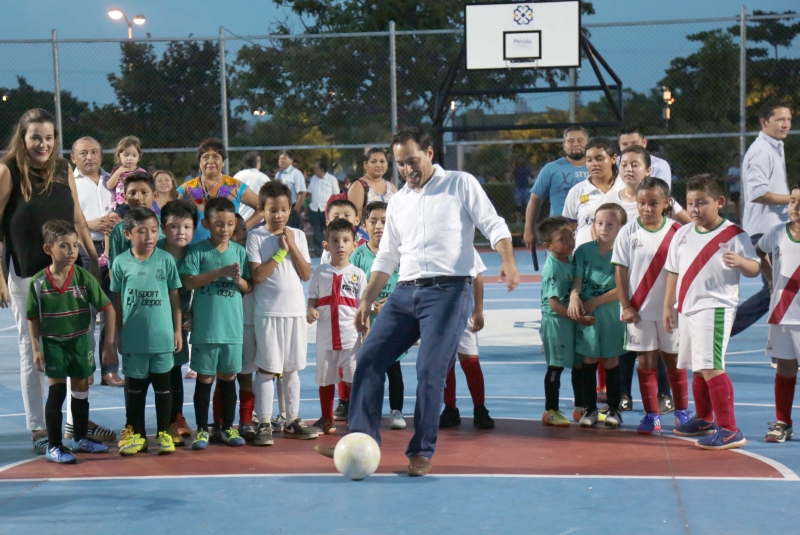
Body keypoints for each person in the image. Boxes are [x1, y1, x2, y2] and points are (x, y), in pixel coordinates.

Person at [316, 127, 519, 477]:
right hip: (404, 293)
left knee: (429, 371)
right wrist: (366, 301)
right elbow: (387, 257)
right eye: (401, 164)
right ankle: (361, 442)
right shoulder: (399, 201)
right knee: (368, 360)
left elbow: (494, 225)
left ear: (428, 153)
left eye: (412, 161)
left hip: (449, 292)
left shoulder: (460, 183)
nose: (407, 169)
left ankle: (421, 451)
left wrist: (509, 261)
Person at [0, 109, 110, 454]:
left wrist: (93, 259)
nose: (43, 144)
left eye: (49, 138)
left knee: (75, 341)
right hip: (28, 275)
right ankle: (38, 429)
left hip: (67, 272)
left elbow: (76, 216)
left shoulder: (64, 169)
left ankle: (74, 425)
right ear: (23, 138)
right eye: (36, 137)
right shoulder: (8, 171)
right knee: (32, 348)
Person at [664, 175, 760, 450]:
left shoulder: (734, 234)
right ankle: (705, 419)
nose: (694, 209)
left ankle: (730, 430)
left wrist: (741, 261)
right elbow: (673, 270)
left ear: (719, 202)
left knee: (711, 366)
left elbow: (754, 268)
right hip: (688, 309)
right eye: (691, 203)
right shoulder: (682, 233)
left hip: (715, 308)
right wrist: (667, 305)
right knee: (698, 365)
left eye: (702, 203)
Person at [604, 145, 688, 413]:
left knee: (673, 360)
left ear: (666, 204)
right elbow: (620, 270)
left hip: (669, 310)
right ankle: (651, 414)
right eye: (642, 203)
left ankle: (682, 411)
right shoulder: (628, 231)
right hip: (639, 310)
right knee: (645, 360)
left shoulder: (677, 231)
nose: (647, 208)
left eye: (654, 203)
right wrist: (626, 306)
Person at [27, 220, 115, 463]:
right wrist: (36, 349)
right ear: (49, 249)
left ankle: (79, 439)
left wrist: (108, 344)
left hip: (79, 344)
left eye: (75, 246)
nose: (72, 251)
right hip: (54, 344)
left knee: (80, 391)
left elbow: (109, 309)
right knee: (56, 393)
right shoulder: (38, 282)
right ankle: (54, 446)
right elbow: (33, 318)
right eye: (64, 246)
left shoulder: (84, 278)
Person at [247, 181, 318, 445]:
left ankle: (292, 420)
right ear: (261, 210)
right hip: (267, 313)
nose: (279, 215)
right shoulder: (256, 237)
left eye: (284, 209)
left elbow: (306, 274)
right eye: (273, 210)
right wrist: (279, 252)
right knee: (267, 369)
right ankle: (264, 422)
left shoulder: (297, 235)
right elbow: (257, 276)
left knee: (291, 370)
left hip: (295, 313)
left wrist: (292, 245)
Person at [111, 207, 183, 456]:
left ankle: (164, 432)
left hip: (162, 338)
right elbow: (117, 302)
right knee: (135, 391)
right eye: (142, 231)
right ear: (128, 234)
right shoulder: (120, 262)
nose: (149, 236)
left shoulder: (165, 260)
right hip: (134, 339)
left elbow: (175, 297)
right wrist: (118, 332)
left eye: (153, 230)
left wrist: (177, 330)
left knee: (164, 389)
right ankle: (136, 434)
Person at [181, 198, 251, 450]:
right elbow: (189, 282)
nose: (225, 229)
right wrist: (218, 273)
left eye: (230, 224)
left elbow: (247, 287)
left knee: (228, 378)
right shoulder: (198, 250)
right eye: (219, 224)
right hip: (206, 329)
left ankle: (228, 428)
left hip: (231, 329)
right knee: (205, 379)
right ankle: (202, 429)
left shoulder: (239, 252)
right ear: (206, 224)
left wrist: (239, 280)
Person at [734, 101, 792, 337]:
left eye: (788, 119)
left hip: (774, 233)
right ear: (764, 122)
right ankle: (718, 332)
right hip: (764, 234)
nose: (786, 124)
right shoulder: (761, 151)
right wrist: (793, 199)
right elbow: (758, 193)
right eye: (780, 119)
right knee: (778, 290)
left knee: (779, 291)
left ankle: (783, 353)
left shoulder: (775, 147)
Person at [71, 136, 123, 387]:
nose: (89, 157)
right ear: (73, 157)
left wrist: (117, 222)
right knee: (85, 313)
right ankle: (86, 366)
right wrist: (87, 224)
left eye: (94, 152)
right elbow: (63, 217)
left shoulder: (113, 180)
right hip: (82, 250)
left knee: (110, 309)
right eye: (83, 153)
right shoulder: (69, 183)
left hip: (114, 250)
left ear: (102, 156)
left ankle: (110, 369)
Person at [569, 203, 627, 429]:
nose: (603, 228)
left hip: (610, 313)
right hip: (588, 316)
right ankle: (590, 409)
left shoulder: (623, 253)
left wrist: (594, 301)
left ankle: (614, 409)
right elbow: (576, 281)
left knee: (611, 360)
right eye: (599, 223)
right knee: (588, 360)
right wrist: (575, 296)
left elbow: (622, 288)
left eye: (610, 224)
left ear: (620, 227)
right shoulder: (583, 251)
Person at [307, 219, 367, 434]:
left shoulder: (358, 274)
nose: (340, 245)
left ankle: (357, 417)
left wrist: (366, 333)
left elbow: (363, 306)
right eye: (335, 240)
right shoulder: (320, 272)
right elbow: (312, 298)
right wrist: (310, 310)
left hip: (350, 339)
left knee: (352, 378)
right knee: (325, 379)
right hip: (325, 338)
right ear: (326, 245)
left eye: (345, 240)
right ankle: (327, 418)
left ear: (354, 244)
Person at [350, 201, 405, 429]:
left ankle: (396, 411)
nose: (379, 226)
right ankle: (370, 411)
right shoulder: (358, 256)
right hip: (367, 322)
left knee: (394, 366)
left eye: (384, 221)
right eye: (373, 221)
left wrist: (390, 303)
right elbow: (351, 287)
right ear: (364, 225)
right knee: (370, 368)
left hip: (392, 320)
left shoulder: (399, 253)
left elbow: (405, 283)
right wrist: (369, 305)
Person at [538, 216, 591, 426]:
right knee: (556, 366)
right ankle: (550, 410)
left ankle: (580, 407)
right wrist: (578, 316)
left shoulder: (570, 259)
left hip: (570, 320)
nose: (569, 241)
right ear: (548, 246)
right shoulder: (552, 269)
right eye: (563, 239)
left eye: (571, 236)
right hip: (556, 322)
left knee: (579, 365)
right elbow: (554, 305)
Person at [756, 183, 800, 443]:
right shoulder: (777, 232)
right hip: (783, 314)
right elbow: (760, 252)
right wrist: (771, 279)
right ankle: (783, 422)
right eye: (793, 201)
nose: (795, 207)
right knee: (785, 369)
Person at [158, 199, 197, 445]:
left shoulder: (196, 255)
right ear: (163, 229)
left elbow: (198, 290)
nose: (180, 232)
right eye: (174, 226)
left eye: (186, 227)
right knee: (151, 374)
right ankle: (144, 423)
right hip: (155, 321)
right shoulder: (155, 253)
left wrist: (192, 313)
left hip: (179, 326)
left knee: (174, 372)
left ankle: (176, 417)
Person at [439, 251, 494, 429]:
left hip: (463, 311)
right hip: (438, 313)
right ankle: (450, 408)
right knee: (445, 363)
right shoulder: (427, 241)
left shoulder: (464, 242)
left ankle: (479, 408)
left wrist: (478, 310)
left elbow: (477, 277)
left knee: (471, 362)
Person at [177, 138, 261, 243]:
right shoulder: (187, 189)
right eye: (205, 157)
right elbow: (172, 216)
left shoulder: (235, 186)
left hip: (228, 250)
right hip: (195, 250)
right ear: (200, 163)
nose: (210, 161)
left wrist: (241, 228)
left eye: (216, 157)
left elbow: (262, 207)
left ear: (223, 162)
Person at [523, 127, 589, 249]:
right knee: (559, 267)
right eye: (571, 141)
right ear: (564, 145)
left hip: (590, 230)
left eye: (580, 140)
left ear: (588, 143)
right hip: (558, 232)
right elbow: (535, 201)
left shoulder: (598, 168)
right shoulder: (550, 169)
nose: (575, 144)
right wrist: (528, 229)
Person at [563, 138, 623, 250]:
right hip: (585, 261)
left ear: (613, 158)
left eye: (599, 159)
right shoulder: (577, 191)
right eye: (589, 160)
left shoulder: (626, 188)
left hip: (619, 258)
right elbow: (568, 228)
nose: (594, 164)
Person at [107, 173, 164, 268]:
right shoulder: (118, 230)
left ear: (155, 195)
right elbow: (114, 269)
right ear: (125, 198)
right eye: (132, 193)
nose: (138, 198)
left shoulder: (164, 225)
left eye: (144, 192)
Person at [348, 148, 398, 225]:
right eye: (373, 162)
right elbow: (354, 218)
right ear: (365, 165)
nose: (378, 165)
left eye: (382, 161)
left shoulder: (391, 187)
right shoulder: (358, 185)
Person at [105, 136, 147, 217]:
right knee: (113, 217)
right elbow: (109, 186)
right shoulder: (116, 170)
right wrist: (119, 172)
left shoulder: (141, 172)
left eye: (134, 155)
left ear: (138, 157)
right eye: (126, 155)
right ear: (119, 156)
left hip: (136, 204)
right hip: (121, 205)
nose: (130, 158)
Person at [307, 160, 341, 257]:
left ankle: (331, 251)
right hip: (315, 209)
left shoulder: (331, 179)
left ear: (322, 169)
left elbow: (336, 195)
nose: (314, 170)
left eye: (316, 168)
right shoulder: (313, 178)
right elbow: (310, 193)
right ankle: (318, 251)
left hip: (328, 210)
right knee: (317, 231)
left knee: (330, 230)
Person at [274, 150, 307, 230]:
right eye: (280, 159)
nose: (281, 161)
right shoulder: (278, 174)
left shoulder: (296, 173)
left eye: (284, 158)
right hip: (281, 208)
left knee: (295, 233)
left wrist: (295, 209)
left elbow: (302, 193)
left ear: (291, 161)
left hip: (293, 208)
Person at [233, 151, 270, 221]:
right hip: (258, 219)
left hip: (239, 218)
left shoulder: (237, 176)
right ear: (258, 163)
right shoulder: (264, 178)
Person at [513, 156, 531, 221]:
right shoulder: (515, 169)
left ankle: (528, 219)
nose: (521, 160)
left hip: (525, 187)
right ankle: (519, 219)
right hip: (518, 188)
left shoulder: (527, 168)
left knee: (528, 204)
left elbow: (531, 175)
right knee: (518, 205)